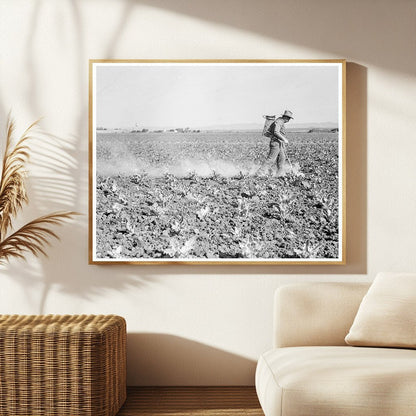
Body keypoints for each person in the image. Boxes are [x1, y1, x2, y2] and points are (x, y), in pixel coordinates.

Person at [257, 110, 294, 176]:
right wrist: (284, 139)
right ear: (286, 117)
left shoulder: (281, 122)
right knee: (271, 159)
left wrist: (282, 142)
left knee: (282, 158)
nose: (288, 120)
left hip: (279, 143)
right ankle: (260, 172)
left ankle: (279, 174)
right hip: (275, 143)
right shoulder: (279, 121)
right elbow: (276, 132)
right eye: (288, 118)